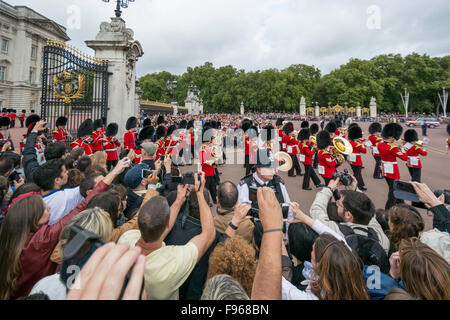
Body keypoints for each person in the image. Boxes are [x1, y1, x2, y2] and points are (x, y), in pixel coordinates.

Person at [0, 158, 130, 299]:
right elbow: (81, 206)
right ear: (33, 218)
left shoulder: (10, 238)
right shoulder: (43, 239)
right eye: (43, 209)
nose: (48, 207)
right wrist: (115, 171)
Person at [118, 173, 217, 300]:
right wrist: (199, 193)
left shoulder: (126, 238)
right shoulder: (172, 263)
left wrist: (179, 199)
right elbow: (209, 234)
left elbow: (156, 233)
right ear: (168, 223)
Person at [310, 177, 390, 268]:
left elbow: (317, 210)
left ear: (348, 214)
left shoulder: (337, 232)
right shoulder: (379, 235)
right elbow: (369, 214)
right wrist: (355, 190)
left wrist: (329, 189)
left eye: (339, 204)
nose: (337, 204)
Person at [377, 123, 408, 210]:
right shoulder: (392, 148)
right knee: (393, 191)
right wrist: (402, 148)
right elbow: (405, 158)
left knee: (394, 187)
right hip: (393, 171)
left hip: (385, 169)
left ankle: (402, 204)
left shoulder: (380, 144)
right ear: (391, 137)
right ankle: (388, 208)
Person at [348, 124, 367, 191]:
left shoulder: (350, 142)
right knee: (357, 174)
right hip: (357, 160)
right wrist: (363, 145)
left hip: (351, 159)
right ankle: (358, 186)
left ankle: (360, 185)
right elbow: (364, 151)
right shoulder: (357, 144)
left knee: (356, 172)